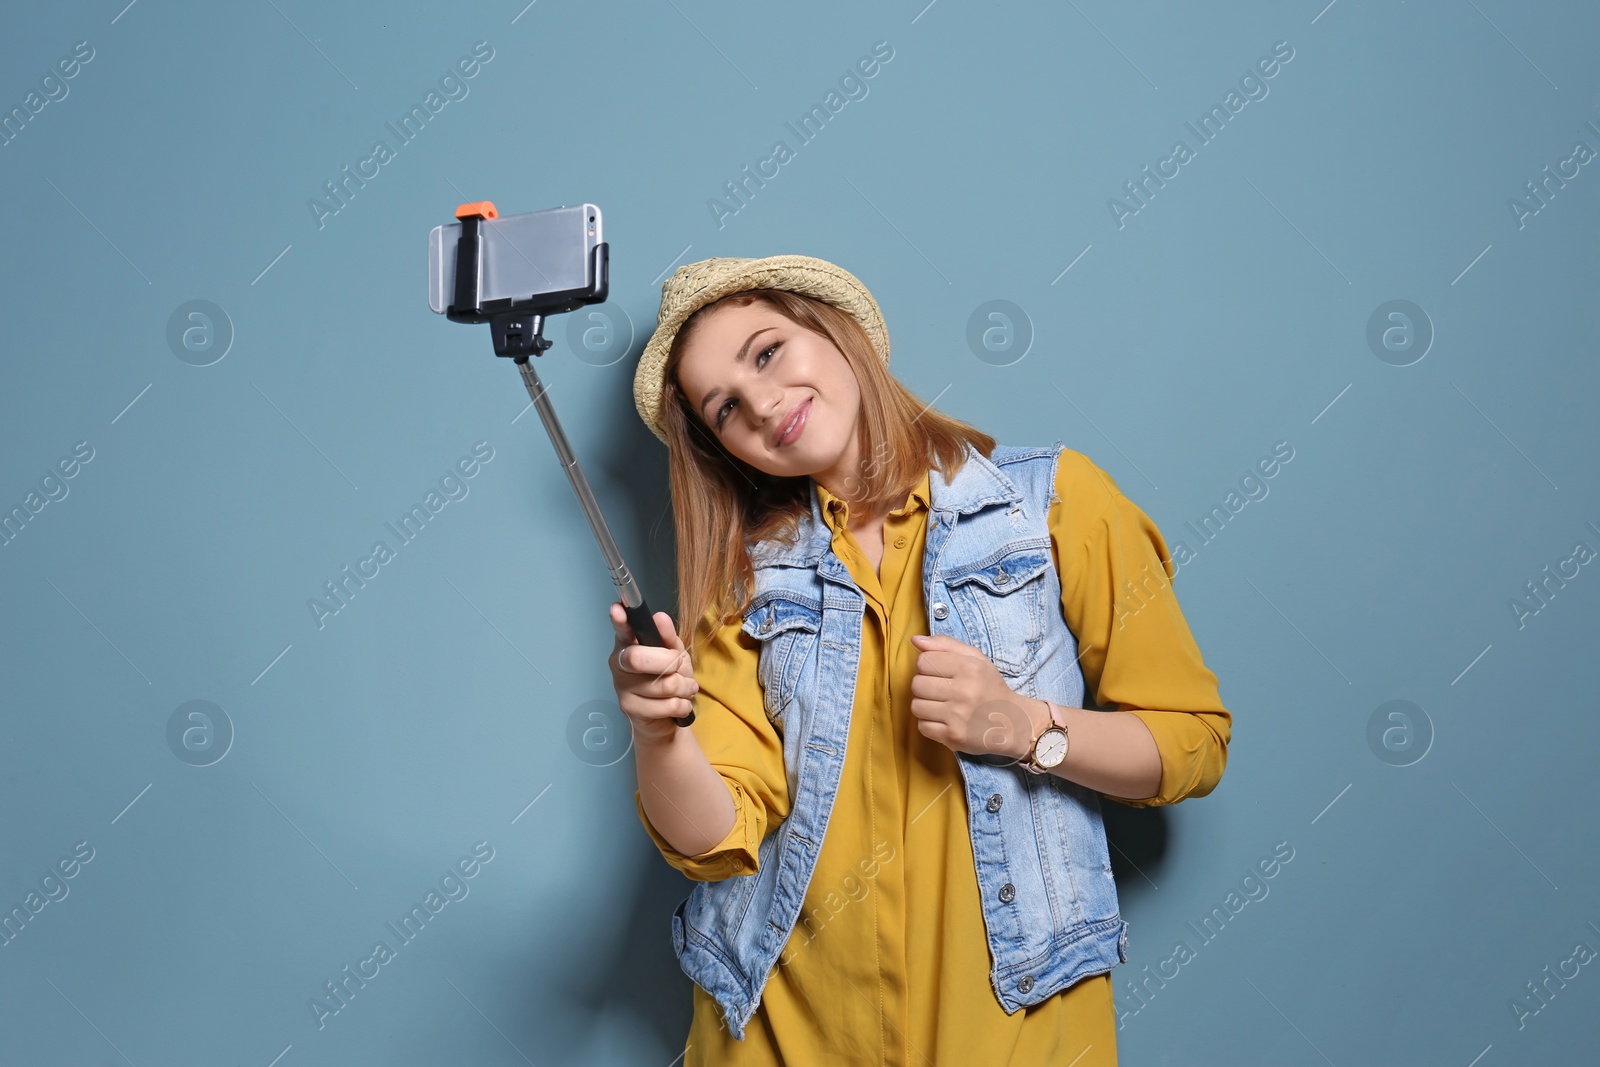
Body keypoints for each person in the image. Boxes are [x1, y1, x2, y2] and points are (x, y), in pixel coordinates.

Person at [607, 254, 1230, 1065]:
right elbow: (716, 837)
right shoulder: (744, 585)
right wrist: (658, 733)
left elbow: (1190, 744)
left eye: (767, 352)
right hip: (785, 1031)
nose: (761, 403)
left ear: (834, 333)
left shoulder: (1054, 507)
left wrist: (1022, 725)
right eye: (725, 408)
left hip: (1011, 1022)